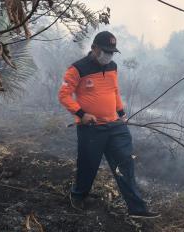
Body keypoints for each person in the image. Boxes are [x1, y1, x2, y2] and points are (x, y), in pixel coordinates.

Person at [58, 31, 160, 218]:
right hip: (91, 128)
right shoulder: (77, 68)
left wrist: (121, 114)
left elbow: (114, 91)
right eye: (105, 51)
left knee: (126, 164)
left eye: (112, 52)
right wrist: (82, 114)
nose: (108, 55)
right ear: (94, 48)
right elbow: (63, 95)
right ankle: (78, 196)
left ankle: (137, 208)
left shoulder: (112, 66)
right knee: (88, 166)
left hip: (115, 126)